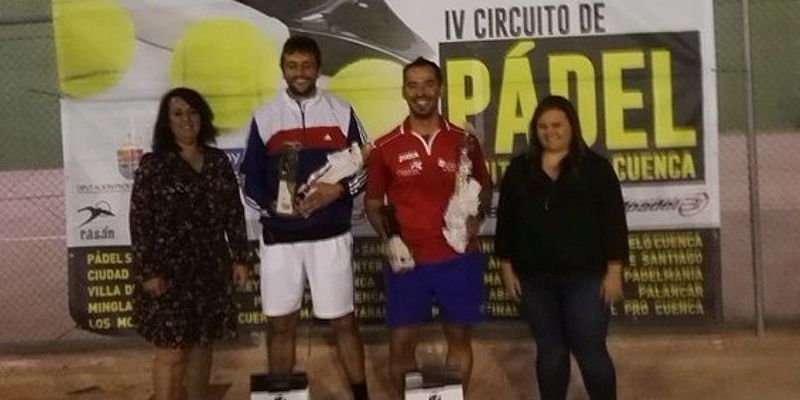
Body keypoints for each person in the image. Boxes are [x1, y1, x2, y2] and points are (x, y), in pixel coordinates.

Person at [239, 35, 369, 399]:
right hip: (280, 239)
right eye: (292, 65)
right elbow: (249, 180)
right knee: (280, 325)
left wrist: (338, 191)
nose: (300, 73)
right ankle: (281, 396)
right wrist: (274, 205)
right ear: (282, 68)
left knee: (343, 322)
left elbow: (365, 167)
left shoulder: (341, 110)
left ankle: (362, 396)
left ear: (318, 68)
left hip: (330, 237)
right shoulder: (264, 116)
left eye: (307, 65)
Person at [364, 57, 493, 397]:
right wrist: (389, 238)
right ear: (403, 91)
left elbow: (485, 186)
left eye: (428, 84)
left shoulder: (464, 140)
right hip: (408, 264)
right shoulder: (385, 146)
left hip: (457, 258)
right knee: (401, 344)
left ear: (440, 89)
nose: (421, 92)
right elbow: (373, 204)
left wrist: (476, 217)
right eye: (413, 85)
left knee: (459, 339)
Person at [494, 95, 628, 400]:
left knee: (590, 350)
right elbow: (506, 222)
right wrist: (506, 267)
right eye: (542, 126)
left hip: (586, 278)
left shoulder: (596, 169)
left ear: (572, 127)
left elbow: (614, 223)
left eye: (557, 125)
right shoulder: (519, 170)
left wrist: (614, 271)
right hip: (534, 279)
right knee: (550, 351)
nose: (549, 132)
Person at [129, 87, 252, 400]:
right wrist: (148, 271)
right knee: (171, 353)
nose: (186, 119)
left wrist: (240, 257)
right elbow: (140, 222)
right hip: (167, 273)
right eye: (178, 113)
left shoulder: (218, 161)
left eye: (192, 112)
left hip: (210, 268)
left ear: (202, 117)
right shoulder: (153, 165)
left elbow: (233, 212)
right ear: (166, 121)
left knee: (202, 345)